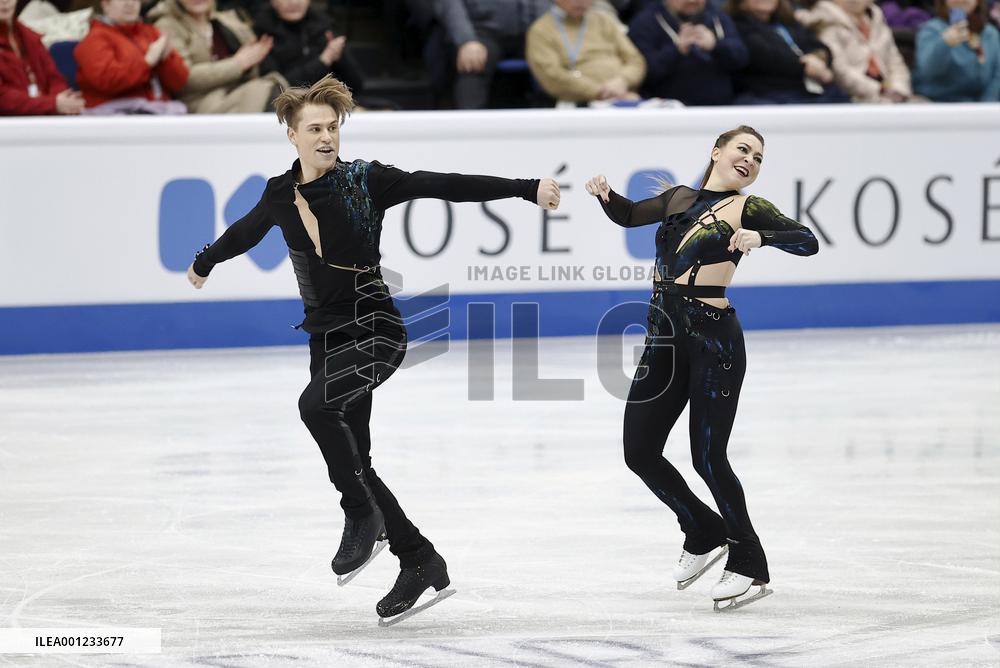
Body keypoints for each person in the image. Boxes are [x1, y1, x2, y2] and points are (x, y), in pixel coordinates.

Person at [186, 75, 560, 623]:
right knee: (356, 457)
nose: (325, 137)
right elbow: (244, 231)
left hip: (377, 330)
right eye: (313, 128)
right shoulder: (278, 193)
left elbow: (444, 183)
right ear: (291, 135)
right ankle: (421, 561)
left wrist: (524, 187)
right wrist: (205, 260)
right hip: (326, 335)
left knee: (315, 407)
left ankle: (361, 515)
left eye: (332, 127)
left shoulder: (367, 180)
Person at [585, 126, 818, 611]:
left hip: (714, 341)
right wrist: (607, 196)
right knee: (639, 451)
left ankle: (751, 564)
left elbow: (807, 240)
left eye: (757, 156)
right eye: (742, 149)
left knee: (708, 458)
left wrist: (763, 236)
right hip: (663, 339)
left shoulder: (748, 207)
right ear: (717, 151)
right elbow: (629, 215)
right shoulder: (678, 198)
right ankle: (703, 529)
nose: (750, 160)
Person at [149, 0, 286, 113]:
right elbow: (184, 77)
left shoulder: (226, 20)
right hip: (201, 102)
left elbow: (251, 66)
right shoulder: (167, 25)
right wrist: (238, 64)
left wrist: (249, 63)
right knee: (266, 93)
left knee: (279, 92)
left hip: (236, 92)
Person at [430, 0, 552, 108]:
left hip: (535, 29)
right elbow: (449, 4)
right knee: (473, 62)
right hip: (480, 31)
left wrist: (550, 31)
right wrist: (466, 40)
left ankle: (555, 122)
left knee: (556, 57)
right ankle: (469, 126)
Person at [74, 0, 188, 113]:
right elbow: (108, 80)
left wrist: (166, 60)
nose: (130, 3)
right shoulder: (94, 39)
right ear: (106, 4)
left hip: (156, 110)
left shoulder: (151, 32)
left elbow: (179, 82)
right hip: (113, 115)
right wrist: (147, 62)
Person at [525, 0, 647, 104]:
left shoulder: (604, 21)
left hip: (623, 95)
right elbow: (551, 74)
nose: (581, 2)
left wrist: (623, 81)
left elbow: (635, 60)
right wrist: (600, 92)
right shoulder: (541, 30)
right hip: (580, 102)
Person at [628, 0, 748, 105]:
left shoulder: (718, 18)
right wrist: (677, 50)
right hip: (669, 110)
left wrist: (716, 45)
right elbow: (644, 71)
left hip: (722, 107)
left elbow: (742, 59)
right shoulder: (645, 22)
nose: (692, 0)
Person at [727, 0, 849, 103]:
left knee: (843, 99)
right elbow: (765, 56)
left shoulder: (787, 23)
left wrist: (817, 58)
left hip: (806, 88)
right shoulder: (738, 25)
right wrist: (806, 66)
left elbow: (820, 46)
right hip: (769, 92)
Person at [799, 0, 913, 102]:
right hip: (851, 99)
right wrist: (881, 91)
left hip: (891, 94)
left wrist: (899, 89)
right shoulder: (823, 21)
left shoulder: (877, 19)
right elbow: (840, 71)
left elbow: (896, 63)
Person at [252, 0, 363, 91]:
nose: (293, 2)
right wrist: (323, 60)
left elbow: (356, 84)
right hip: (281, 108)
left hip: (326, 102)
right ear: (273, 2)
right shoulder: (261, 34)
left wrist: (339, 57)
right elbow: (277, 86)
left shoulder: (323, 26)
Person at [0, 0, 84, 114]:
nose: (5, 1)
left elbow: (54, 77)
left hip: (41, 119)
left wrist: (62, 100)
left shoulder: (28, 36)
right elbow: (3, 99)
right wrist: (52, 103)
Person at [913, 0, 999, 101]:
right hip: (937, 105)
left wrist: (985, 107)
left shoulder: (990, 33)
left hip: (981, 107)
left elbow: (997, 76)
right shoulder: (931, 29)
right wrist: (944, 43)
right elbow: (927, 72)